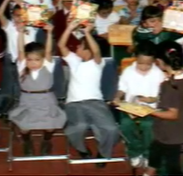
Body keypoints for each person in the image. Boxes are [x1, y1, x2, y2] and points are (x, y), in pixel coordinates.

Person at [59, 21, 120, 164]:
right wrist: (69, 28)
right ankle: (81, 148)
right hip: (74, 103)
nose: (76, 48)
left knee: (111, 128)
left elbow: (96, 51)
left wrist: (87, 33)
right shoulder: (74, 61)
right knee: (78, 126)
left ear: (88, 50)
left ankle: (103, 153)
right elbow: (61, 45)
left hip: (95, 103)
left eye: (80, 46)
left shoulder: (97, 63)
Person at [8, 24, 66, 156]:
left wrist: (49, 33)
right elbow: (20, 50)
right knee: (24, 127)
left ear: (43, 59)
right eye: (29, 60)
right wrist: (20, 33)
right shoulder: (22, 66)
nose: (33, 63)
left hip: (46, 100)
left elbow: (48, 51)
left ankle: (46, 140)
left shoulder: (47, 65)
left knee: (50, 126)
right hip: (27, 100)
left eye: (37, 60)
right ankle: (27, 142)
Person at [144, 41, 183, 176]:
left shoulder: (169, 86)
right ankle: (148, 174)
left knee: (173, 167)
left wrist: (149, 111)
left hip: (170, 133)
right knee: (155, 150)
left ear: (160, 62)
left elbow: (172, 114)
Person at [114, 41, 165, 172]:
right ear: (135, 58)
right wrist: (118, 97)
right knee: (125, 124)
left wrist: (152, 99)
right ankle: (135, 151)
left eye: (148, 64)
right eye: (141, 63)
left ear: (154, 61)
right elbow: (122, 88)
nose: (144, 67)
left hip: (151, 109)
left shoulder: (158, 74)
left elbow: (162, 95)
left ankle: (147, 153)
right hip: (130, 108)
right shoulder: (128, 71)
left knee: (149, 126)